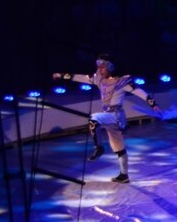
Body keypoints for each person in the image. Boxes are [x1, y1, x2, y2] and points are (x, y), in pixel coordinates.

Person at [53, 53, 161, 183]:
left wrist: (153, 104)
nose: (99, 69)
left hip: (116, 116)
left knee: (94, 119)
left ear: (110, 67)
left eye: (102, 67)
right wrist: (61, 75)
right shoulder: (98, 79)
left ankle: (99, 148)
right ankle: (124, 175)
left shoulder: (122, 81)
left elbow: (140, 93)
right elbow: (80, 77)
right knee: (119, 148)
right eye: (98, 67)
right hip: (108, 115)